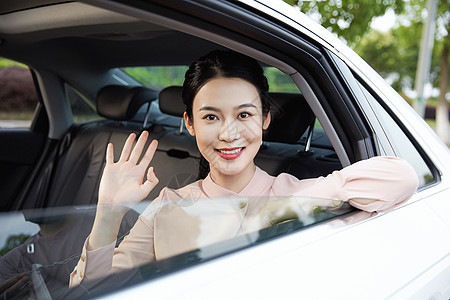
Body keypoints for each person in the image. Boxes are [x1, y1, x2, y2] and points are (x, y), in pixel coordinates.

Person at [69, 50, 418, 287]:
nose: (229, 133)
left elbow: (401, 177)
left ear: (265, 119)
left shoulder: (291, 192)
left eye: (244, 114)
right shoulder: (167, 205)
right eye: (210, 117)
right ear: (189, 124)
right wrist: (108, 214)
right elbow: (93, 288)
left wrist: (272, 212)